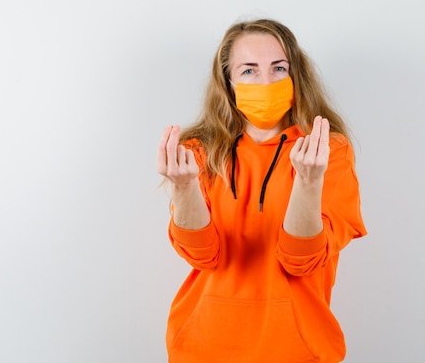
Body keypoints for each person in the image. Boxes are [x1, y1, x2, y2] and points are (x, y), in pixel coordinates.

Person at [156, 18, 367, 363]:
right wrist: (184, 187)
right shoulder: (199, 151)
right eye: (249, 71)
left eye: (278, 68)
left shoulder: (328, 151)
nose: (266, 81)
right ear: (229, 81)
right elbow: (202, 255)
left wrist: (309, 182)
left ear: (295, 75)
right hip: (202, 346)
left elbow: (301, 262)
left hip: (297, 350)